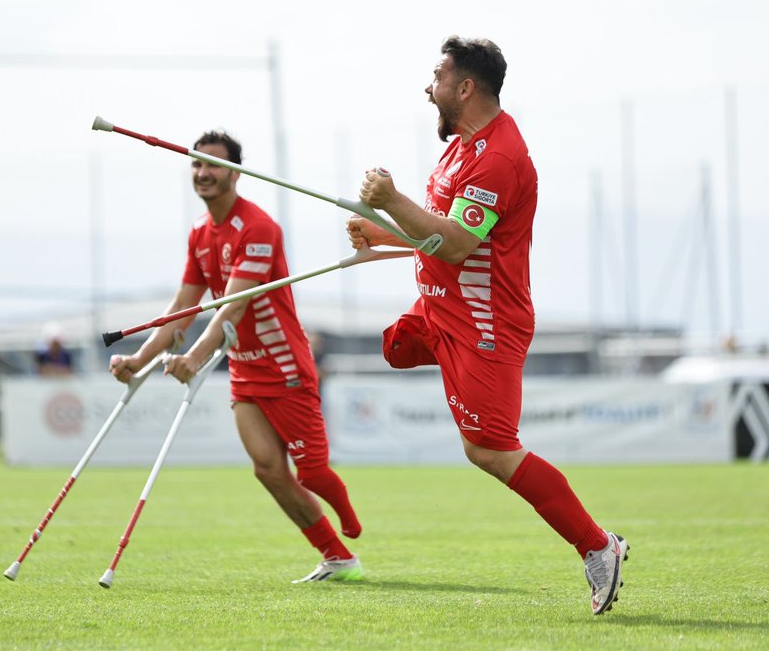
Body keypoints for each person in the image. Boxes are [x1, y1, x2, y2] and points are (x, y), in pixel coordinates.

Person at [346, 36, 629, 614]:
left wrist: (391, 198)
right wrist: (383, 235)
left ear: (465, 87)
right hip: (440, 311)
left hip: (482, 321)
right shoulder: (459, 150)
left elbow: (456, 245)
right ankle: (441, 354)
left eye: (438, 77)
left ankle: (599, 547)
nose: (429, 88)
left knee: (490, 450)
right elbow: (436, 232)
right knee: (396, 348)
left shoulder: (498, 157)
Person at [109, 128, 364, 583]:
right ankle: (337, 557)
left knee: (312, 473)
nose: (203, 173)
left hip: (284, 366)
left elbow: (233, 305)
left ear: (236, 173)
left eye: (214, 165)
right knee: (267, 469)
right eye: (196, 164)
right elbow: (182, 310)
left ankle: (345, 514)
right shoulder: (198, 234)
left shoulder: (260, 227)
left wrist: (194, 360)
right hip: (245, 370)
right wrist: (138, 360)